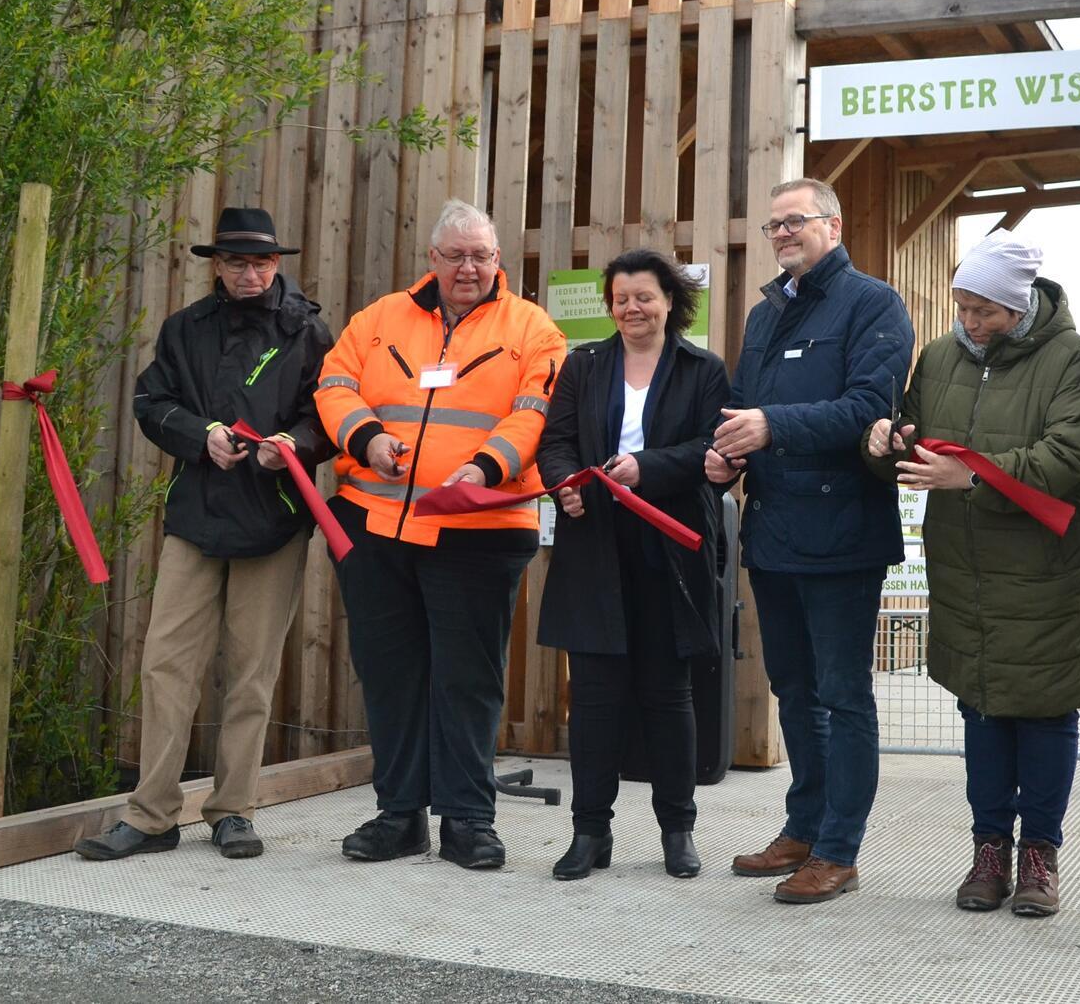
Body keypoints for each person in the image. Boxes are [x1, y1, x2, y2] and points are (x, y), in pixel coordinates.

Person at [863, 232, 1080, 919]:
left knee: (1042, 709)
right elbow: (914, 434)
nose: (970, 322)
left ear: (1018, 307)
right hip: (969, 564)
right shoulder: (942, 355)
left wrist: (966, 472)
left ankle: (1039, 854)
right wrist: (885, 439)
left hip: (1049, 567)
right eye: (963, 306)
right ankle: (987, 850)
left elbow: (1064, 457)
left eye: (985, 310)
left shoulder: (1070, 358)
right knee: (979, 705)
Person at [315, 198, 566, 870]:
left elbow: (535, 412)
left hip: (478, 528)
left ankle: (467, 821)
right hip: (374, 523)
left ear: (498, 261)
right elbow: (334, 383)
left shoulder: (533, 329)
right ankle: (399, 816)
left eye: (481, 255)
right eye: (455, 254)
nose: (469, 267)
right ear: (432, 258)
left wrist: (483, 469)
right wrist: (366, 439)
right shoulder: (378, 319)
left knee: (467, 679)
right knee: (390, 674)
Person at [76, 207, 334, 862]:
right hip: (194, 516)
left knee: (251, 671)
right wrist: (201, 436)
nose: (251, 273)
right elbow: (149, 403)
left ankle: (233, 810)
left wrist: (291, 444)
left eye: (262, 262)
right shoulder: (183, 329)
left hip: (273, 520)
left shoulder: (306, 331)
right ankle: (152, 813)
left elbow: (328, 417)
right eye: (237, 261)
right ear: (215, 266)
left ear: (278, 264)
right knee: (166, 664)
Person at [706, 177, 914, 903]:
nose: (782, 234)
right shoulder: (767, 315)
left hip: (843, 532)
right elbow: (744, 408)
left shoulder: (874, 304)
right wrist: (727, 452)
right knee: (794, 688)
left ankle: (839, 850)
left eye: (794, 221)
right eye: (773, 226)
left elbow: (867, 407)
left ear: (832, 223)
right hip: (774, 531)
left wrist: (772, 427)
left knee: (843, 694)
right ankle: (804, 824)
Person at [536, 249, 730, 881]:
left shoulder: (703, 369)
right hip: (594, 542)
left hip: (668, 544)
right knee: (591, 698)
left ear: (670, 301)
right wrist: (564, 482)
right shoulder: (583, 364)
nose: (631, 308)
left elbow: (711, 445)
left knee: (667, 695)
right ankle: (590, 833)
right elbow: (556, 440)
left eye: (643, 296)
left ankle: (677, 831)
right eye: (620, 298)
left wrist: (648, 469)